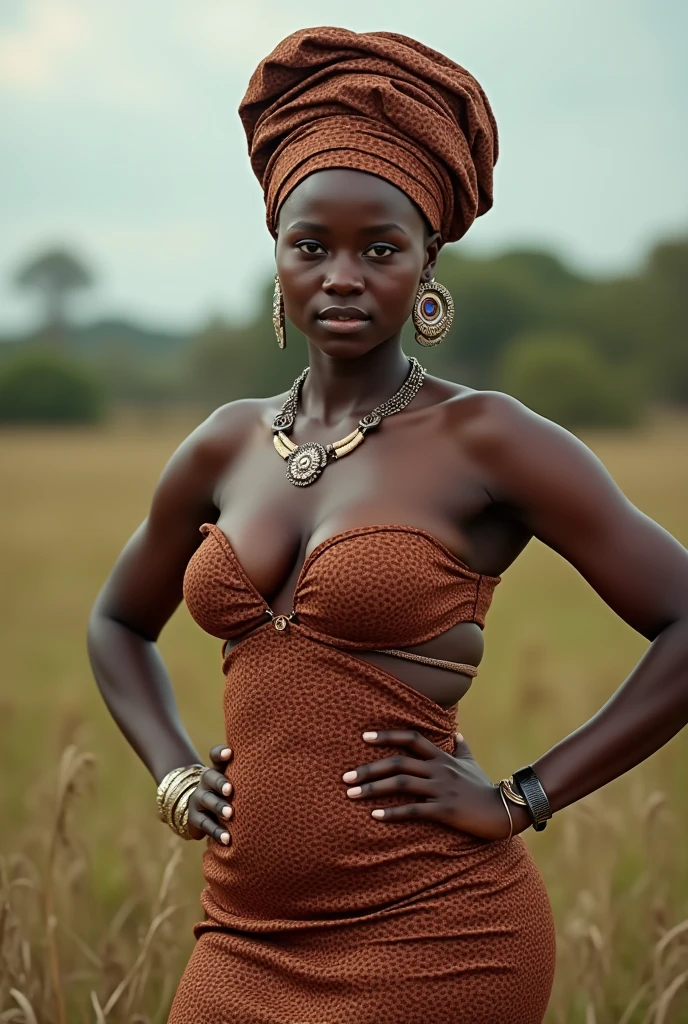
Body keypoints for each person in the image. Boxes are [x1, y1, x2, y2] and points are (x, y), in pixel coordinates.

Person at [86, 26, 688, 1024]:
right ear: (276, 253)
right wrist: (173, 773)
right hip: (239, 940)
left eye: (380, 249)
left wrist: (519, 796)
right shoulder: (222, 445)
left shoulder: (488, 438)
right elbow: (116, 622)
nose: (342, 277)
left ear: (426, 262)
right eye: (310, 246)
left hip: (437, 936)